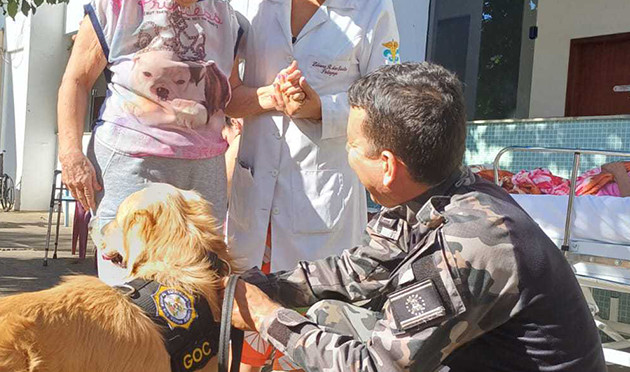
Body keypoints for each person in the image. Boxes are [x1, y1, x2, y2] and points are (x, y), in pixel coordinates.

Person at [228, 62, 606, 372]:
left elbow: (376, 367)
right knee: (327, 316)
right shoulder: (433, 193)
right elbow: (358, 272)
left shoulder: (468, 242)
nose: (349, 154)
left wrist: (266, 317)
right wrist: (257, 286)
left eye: (352, 145)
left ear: (388, 166)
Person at [225, 0, 400, 370]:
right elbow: (223, 93)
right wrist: (266, 99)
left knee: (309, 338)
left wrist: (317, 109)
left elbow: (386, 109)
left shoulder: (372, 10)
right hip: (254, 198)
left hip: (320, 205)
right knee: (245, 327)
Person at [57, 0, 240, 285]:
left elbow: (231, 96)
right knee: (128, 289)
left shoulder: (225, 13)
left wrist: (274, 96)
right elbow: (76, 80)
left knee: (198, 293)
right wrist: (71, 154)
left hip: (203, 173)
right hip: (132, 165)